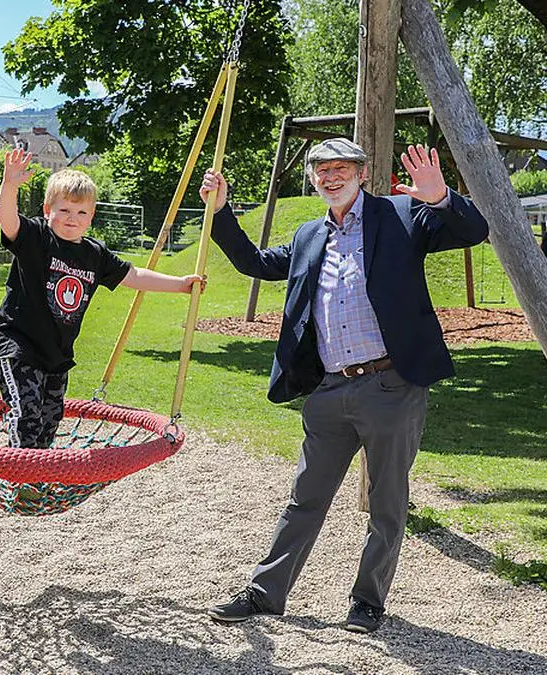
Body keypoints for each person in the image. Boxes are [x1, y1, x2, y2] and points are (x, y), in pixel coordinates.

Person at [199, 139, 488, 633]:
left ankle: (367, 602)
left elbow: (474, 232)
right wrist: (221, 211)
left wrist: (440, 198)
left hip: (391, 386)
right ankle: (266, 593)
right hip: (329, 391)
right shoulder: (309, 235)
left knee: (387, 503)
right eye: (321, 170)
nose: (330, 177)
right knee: (304, 498)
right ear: (313, 179)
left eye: (341, 168)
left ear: (361, 173)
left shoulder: (402, 215)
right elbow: (255, 263)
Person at [0, 149, 204, 449]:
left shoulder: (94, 254)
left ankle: (36, 472)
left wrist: (180, 285)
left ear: (91, 217)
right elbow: (8, 221)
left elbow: (134, 276)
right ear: (47, 209)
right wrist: (10, 185)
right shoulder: (36, 237)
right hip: (18, 346)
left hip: (56, 354)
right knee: (27, 417)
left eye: (81, 213)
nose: (72, 218)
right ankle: (20, 470)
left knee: (49, 422)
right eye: (64, 210)